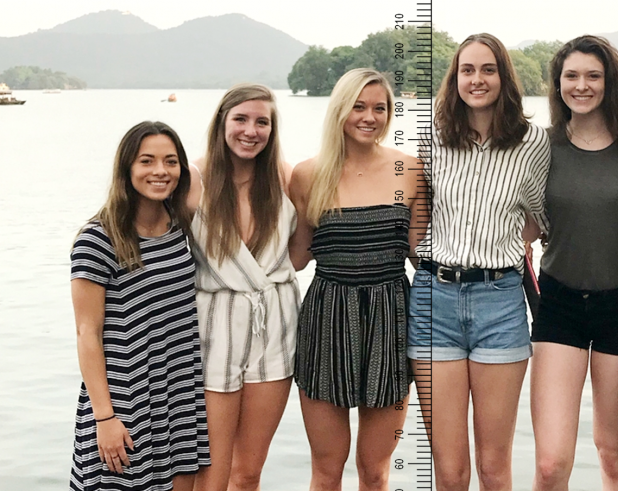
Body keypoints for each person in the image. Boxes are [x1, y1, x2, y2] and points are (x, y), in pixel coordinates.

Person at [407, 33, 550, 490]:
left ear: (504, 77)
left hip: (500, 302)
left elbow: (545, 216)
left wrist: (508, 241)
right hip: (434, 304)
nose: (477, 79)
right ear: (455, 79)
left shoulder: (533, 143)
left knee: (494, 469)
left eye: (488, 69)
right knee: (449, 473)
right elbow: (416, 215)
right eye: (467, 70)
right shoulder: (431, 140)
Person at [288, 68, 424, 490]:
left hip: (391, 320)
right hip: (326, 319)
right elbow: (294, 257)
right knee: (327, 470)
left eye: (380, 108)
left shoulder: (411, 170)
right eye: (359, 107)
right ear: (340, 110)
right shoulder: (307, 175)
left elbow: (422, 256)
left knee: (375, 470)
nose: (370, 117)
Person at [529, 35, 618, 491]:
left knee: (614, 456)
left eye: (592, 76)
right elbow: (512, 216)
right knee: (552, 464)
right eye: (571, 76)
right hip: (559, 306)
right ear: (557, 85)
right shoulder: (540, 147)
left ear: (609, 82)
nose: (581, 85)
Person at [69, 121, 209, 491]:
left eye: (171, 161)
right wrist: (105, 418)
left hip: (178, 395)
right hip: (124, 400)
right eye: (147, 161)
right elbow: (87, 334)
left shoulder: (180, 226)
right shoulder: (98, 239)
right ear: (126, 168)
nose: (160, 171)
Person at [190, 84, 299, 491]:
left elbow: (301, 253)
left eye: (262, 122)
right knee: (212, 473)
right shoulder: (191, 181)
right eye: (240, 119)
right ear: (222, 122)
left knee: (249, 471)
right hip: (213, 330)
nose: (251, 130)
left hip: (275, 327)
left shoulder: (286, 179)